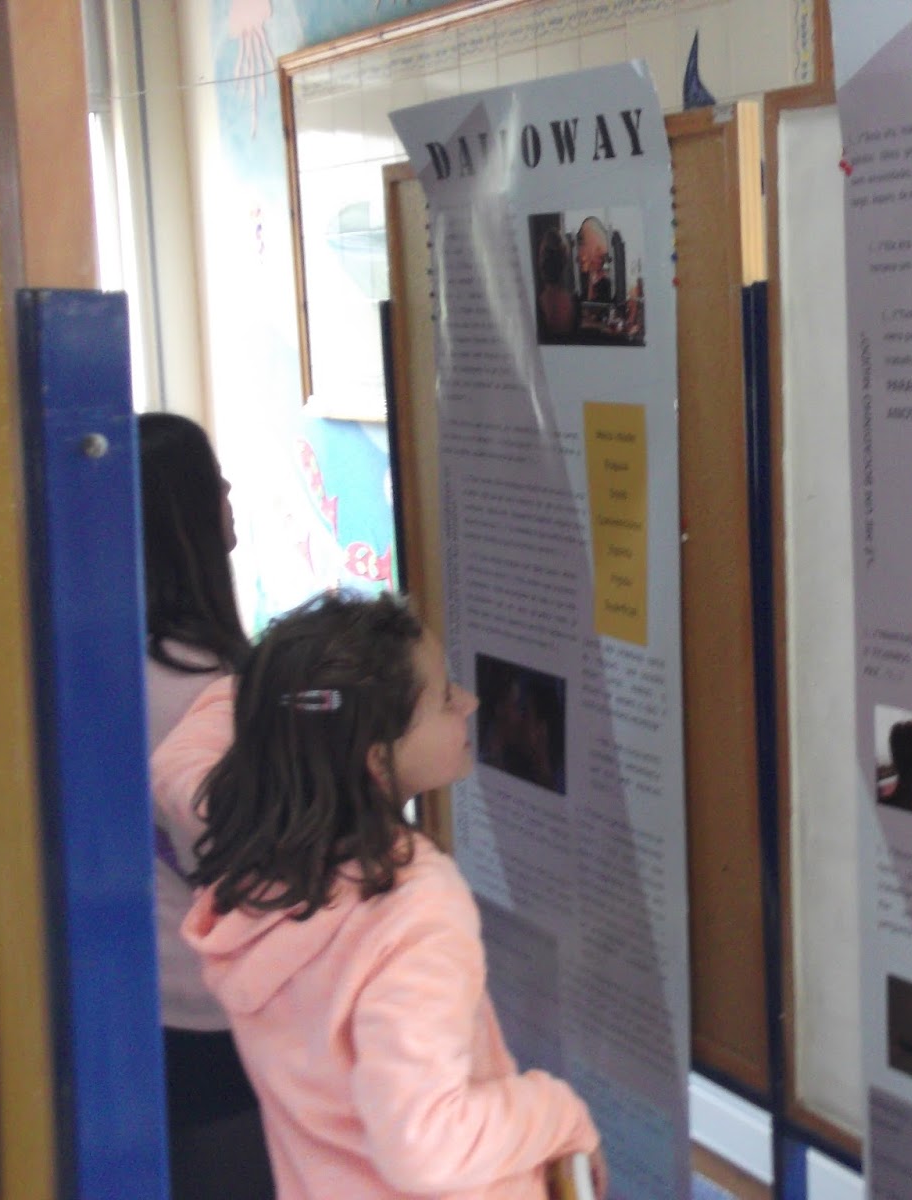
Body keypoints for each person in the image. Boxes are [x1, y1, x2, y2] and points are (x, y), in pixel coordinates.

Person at [153, 593, 606, 1200]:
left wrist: (290, 690)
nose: (469, 703)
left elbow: (178, 759)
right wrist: (558, 1111)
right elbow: (426, 1145)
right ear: (376, 759)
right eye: (443, 699)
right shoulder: (410, 907)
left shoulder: (254, 859)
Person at [137, 412, 275, 1200]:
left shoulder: (117, 658)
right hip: (212, 1009)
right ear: (183, 517)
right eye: (212, 484)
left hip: (151, 990)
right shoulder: (207, 686)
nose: (229, 494)